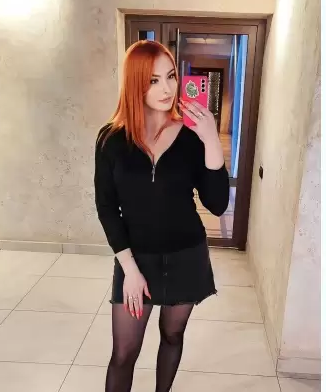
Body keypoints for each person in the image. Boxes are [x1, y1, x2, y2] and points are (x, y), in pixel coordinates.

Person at [94, 40, 230, 392]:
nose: (167, 88)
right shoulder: (111, 140)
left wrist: (211, 139)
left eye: (171, 76)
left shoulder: (191, 137)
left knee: (172, 335)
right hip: (135, 259)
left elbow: (217, 204)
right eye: (153, 80)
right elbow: (107, 208)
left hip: (186, 255)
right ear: (135, 83)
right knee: (124, 352)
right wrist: (130, 270)